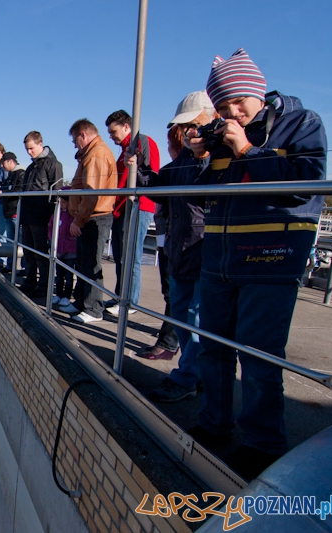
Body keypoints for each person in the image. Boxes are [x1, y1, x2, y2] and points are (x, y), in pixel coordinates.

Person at [191, 49, 327, 479]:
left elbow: (304, 185)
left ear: (258, 91)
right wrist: (201, 159)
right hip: (220, 258)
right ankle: (215, 423)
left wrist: (246, 149)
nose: (234, 111)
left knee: (258, 356)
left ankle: (263, 444)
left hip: (271, 258)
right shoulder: (223, 135)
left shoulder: (303, 124)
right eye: (224, 104)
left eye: (239, 101)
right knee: (211, 347)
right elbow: (198, 199)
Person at [130, 92, 216, 404]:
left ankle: (188, 376)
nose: (190, 132)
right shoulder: (183, 161)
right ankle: (198, 373)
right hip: (181, 247)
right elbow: (160, 185)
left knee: (194, 317)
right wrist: (138, 170)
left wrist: (206, 154)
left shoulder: (220, 156)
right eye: (186, 127)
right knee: (182, 313)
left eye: (195, 125)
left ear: (211, 118)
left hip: (203, 248)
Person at [104, 110, 159, 316]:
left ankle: (130, 301)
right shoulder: (125, 149)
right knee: (120, 255)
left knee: (130, 256)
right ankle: (121, 295)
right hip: (122, 208)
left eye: (113, 131)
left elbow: (151, 172)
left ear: (126, 126)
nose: (111, 136)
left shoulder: (141, 142)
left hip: (137, 206)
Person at [63, 119, 118, 323]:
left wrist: (78, 219)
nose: (75, 145)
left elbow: (92, 192)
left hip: (95, 217)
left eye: (75, 140)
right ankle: (81, 302)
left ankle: (94, 308)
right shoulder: (90, 154)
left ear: (83, 135)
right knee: (84, 262)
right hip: (89, 216)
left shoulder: (96, 155)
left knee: (92, 263)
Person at [138, 125, 182, 360]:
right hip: (169, 236)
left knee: (176, 292)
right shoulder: (174, 170)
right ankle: (171, 341)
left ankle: (169, 342)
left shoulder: (183, 169)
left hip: (179, 239)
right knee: (171, 291)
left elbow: (157, 192)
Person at [20, 131, 63, 296]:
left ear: (40, 144)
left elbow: (57, 191)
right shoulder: (31, 167)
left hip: (41, 216)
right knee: (28, 252)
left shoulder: (53, 165)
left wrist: (53, 216)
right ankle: (30, 282)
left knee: (40, 253)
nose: (29, 152)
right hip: (28, 215)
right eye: (27, 149)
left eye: (31, 148)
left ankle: (44, 286)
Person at [0, 152, 26, 273]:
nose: (2, 166)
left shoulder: (21, 173)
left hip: (16, 212)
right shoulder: (10, 175)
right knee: (10, 241)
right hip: (9, 212)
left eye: (3, 163)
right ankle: (10, 265)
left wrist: (4, 193)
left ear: (10, 161)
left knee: (21, 241)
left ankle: (24, 267)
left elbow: (19, 190)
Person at [47, 187, 77, 307]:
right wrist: (51, 238)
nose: (62, 205)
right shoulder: (56, 215)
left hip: (70, 250)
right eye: (60, 202)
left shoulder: (74, 216)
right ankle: (59, 294)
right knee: (59, 275)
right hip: (58, 249)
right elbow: (50, 228)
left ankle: (67, 296)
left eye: (64, 202)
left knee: (69, 276)